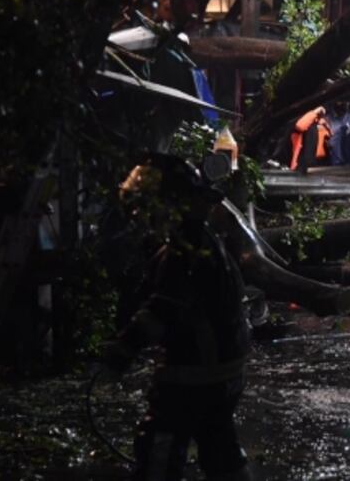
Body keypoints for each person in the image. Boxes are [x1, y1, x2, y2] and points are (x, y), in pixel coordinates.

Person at [104, 156, 252, 480]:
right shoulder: (204, 239)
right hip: (225, 370)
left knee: (160, 447)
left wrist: (122, 350)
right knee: (220, 447)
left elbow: (162, 310)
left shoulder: (183, 250)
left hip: (194, 374)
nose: (142, 216)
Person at [290, 106, 332, 172]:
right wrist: (314, 112)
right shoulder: (300, 123)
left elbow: (330, 136)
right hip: (302, 165)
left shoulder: (320, 124)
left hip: (320, 162)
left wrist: (324, 124)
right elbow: (300, 126)